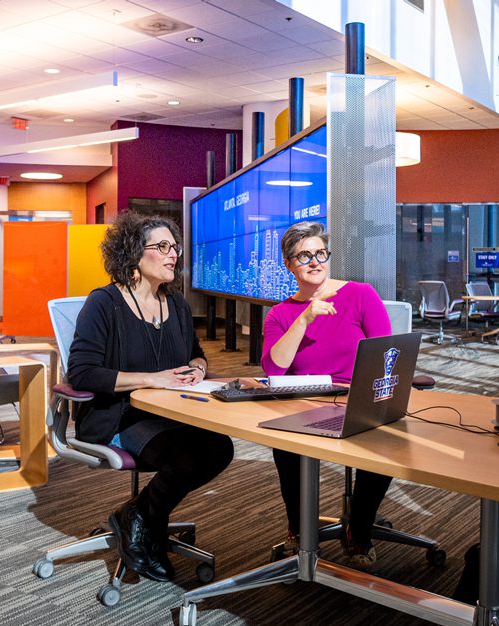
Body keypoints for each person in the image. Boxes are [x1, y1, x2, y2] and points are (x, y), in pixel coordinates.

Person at [67, 211, 234, 582]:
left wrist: (199, 369)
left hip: (170, 414)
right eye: (162, 246)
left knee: (220, 447)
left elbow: (196, 354)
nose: (173, 254)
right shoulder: (104, 303)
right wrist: (154, 379)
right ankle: (148, 523)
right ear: (134, 255)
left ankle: (138, 514)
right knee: (187, 458)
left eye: (174, 247)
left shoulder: (176, 305)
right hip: (119, 415)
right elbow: (81, 372)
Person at [260, 220, 392, 570]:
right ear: (288, 264)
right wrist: (304, 318)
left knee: (383, 440)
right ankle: (299, 529)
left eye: (320, 253)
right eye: (304, 256)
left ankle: (359, 530)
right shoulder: (281, 313)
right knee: (284, 442)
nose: (315, 262)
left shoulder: (360, 294)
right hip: (302, 406)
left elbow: (387, 356)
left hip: (356, 400)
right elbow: (274, 370)